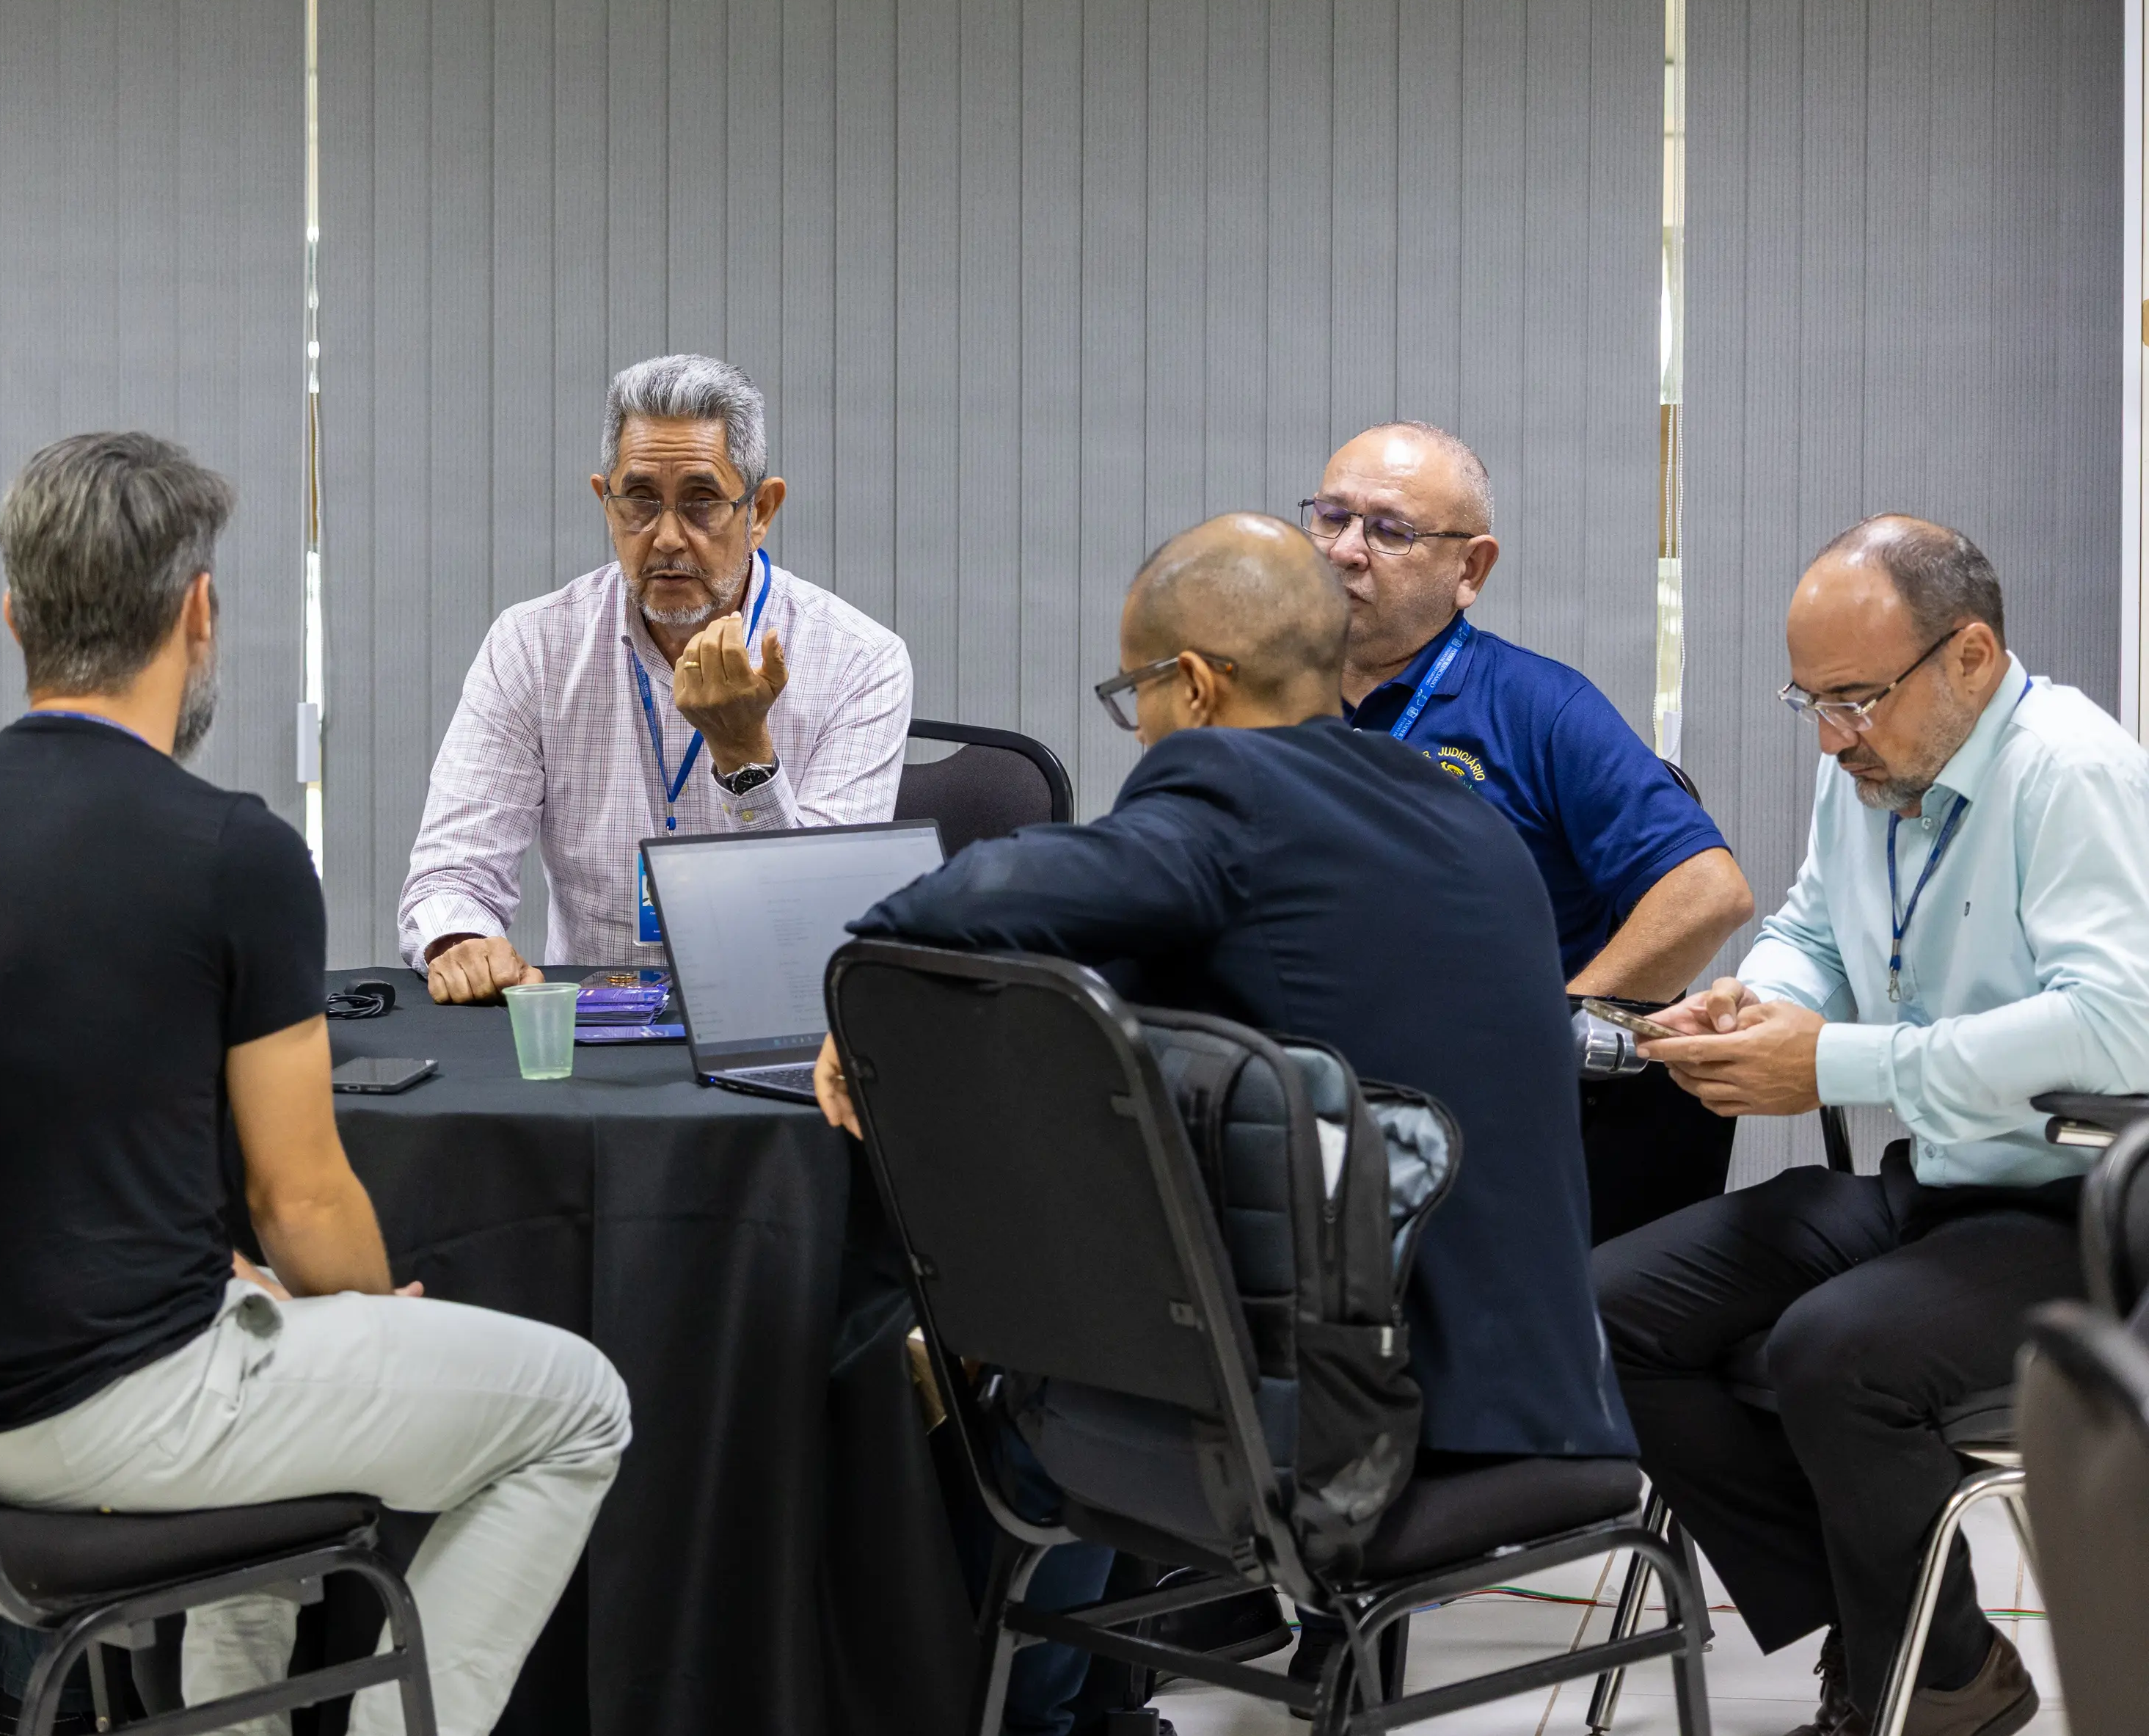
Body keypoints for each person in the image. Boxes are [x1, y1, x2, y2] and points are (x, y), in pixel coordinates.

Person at [812, 513, 1631, 1735]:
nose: (1136, 725)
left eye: (1131, 694)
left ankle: (1012, 1718)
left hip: (1353, 1433)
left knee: (1036, 1386)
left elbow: (966, 897)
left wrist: (866, 985)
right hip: (1547, 1403)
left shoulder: (1224, 786)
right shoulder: (1464, 816)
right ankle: (1103, 1718)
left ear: (1190, 684)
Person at [0, 433, 630, 1735]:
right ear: (198, 610)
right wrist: (371, 1315)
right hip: (104, 1414)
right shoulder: (235, 851)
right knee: (577, 1409)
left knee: (266, 1326)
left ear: (14, 616)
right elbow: (300, 1197)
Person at [1599, 517, 2149, 1736]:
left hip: (2088, 1212)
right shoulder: (1871, 764)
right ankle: (1920, 1643)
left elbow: (2117, 1032)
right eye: (1811, 701)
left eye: (1855, 698)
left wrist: (1836, 1060)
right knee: (1609, 1310)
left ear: (1971, 654)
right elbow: (1813, 929)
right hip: (1938, 1185)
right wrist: (1766, 1003)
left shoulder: (2071, 769)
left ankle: (1922, 1678)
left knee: (1832, 1352)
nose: (1832, 734)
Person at [1307, 421, 1758, 1241]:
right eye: (1330, 517)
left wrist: (1549, 1028)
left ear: (1469, 568)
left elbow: (1707, 893)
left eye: (1389, 530)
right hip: (1307, 1082)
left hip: (1469, 1107)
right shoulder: (1270, 699)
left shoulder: (1538, 707)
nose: (1344, 550)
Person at [399, 354, 913, 1001]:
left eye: (701, 503)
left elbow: (819, 930)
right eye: (640, 502)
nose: (667, 537)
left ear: (760, 511)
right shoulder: (532, 645)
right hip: (591, 1028)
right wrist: (460, 942)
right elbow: (451, 876)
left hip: (776, 1019)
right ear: (605, 504)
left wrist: (743, 752)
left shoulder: (859, 661)